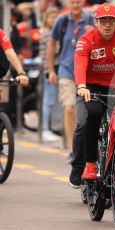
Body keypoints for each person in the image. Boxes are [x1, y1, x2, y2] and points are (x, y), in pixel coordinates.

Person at [72, 3, 115, 182]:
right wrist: (82, 86)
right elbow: (79, 64)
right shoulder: (86, 40)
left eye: (111, 20)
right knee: (92, 115)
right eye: (103, 20)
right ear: (95, 22)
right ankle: (90, 163)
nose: (107, 24)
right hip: (91, 85)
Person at [47, 0, 94, 167]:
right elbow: (52, 45)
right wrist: (51, 70)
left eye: (78, 1)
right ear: (68, 3)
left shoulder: (91, 20)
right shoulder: (62, 20)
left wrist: (93, 33)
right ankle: (72, 148)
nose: (75, 4)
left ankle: (83, 145)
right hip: (66, 70)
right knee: (69, 108)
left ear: (83, 3)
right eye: (72, 1)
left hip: (87, 73)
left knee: (86, 114)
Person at [39, 7, 60, 142]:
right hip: (48, 70)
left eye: (55, 17)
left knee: (52, 101)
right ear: (46, 19)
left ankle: (49, 128)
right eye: (51, 17)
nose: (53, 20)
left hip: (52, 69)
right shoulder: (47, 33)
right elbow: (54, 50)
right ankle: (45, 129)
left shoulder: (53, 33)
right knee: (48, 101)